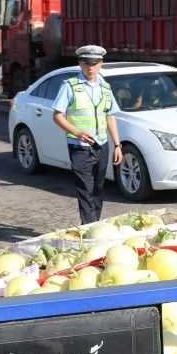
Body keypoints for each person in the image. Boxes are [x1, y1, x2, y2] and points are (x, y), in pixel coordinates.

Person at [52, 45, 122, 225]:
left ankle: (94, 225)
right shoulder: (70, 86)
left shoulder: (105, 87)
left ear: (101, 64)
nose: (90, 68)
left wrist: (117, 145)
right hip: (79, 148)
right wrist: (76, 132)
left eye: (94, 63)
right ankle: (90, 228)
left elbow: (110, 116)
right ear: (80, 63)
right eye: (86, 63)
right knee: (85, 189)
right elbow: (57, 115)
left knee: (98, 189)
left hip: (102, 146)